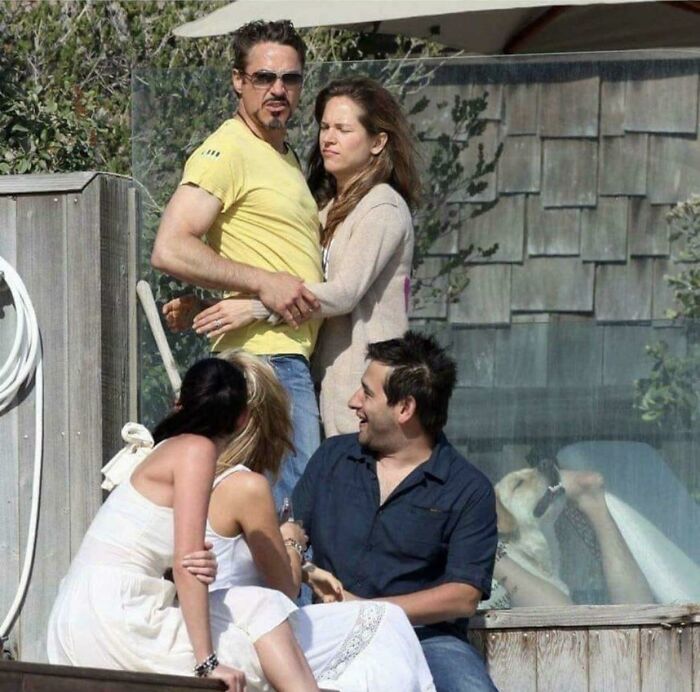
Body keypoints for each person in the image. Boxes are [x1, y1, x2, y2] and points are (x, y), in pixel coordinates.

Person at [165, 76, 418, 437]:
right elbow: (307, 293)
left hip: (368, 399)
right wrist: (211, 308)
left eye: (343, 129)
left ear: (378, 142)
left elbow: (344, 293)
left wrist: (255, 307)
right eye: (325, 127)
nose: (328, 138)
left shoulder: (383, 207)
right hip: (326, 391)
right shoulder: (326, 210)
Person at [46, 358, 321, 691]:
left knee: (257, 608)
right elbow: (188, 564)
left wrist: (192, 562)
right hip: (115, 617)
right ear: (243, 418)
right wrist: (206, 663)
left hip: (81, 611)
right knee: (258, 624)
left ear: (181, 402)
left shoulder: (168, 447)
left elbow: (181, 559)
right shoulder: (197, 450)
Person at [151, 19, 322, 504]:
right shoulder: (227, 149)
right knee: (290, 513)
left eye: (290, 78)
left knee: (271, 513)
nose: (278, 89)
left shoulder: (284, 156)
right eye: (264, 77)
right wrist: (264, 282)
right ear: (238, 81)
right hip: (264, 365)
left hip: (282, 354)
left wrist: (215, 300)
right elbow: (170, 246)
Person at [204, 348, 436, 691]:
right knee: (384, 626)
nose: (353, 402)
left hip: (213, 624)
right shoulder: (246, 485)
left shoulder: (186, 468)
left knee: (383, 626)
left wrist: (307, 569)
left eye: (367, 393)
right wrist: (292, 540)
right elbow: (284, 588)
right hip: (237, 634)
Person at [292, 332, 499, 692]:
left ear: (405, 409)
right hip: (330, 629)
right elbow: (287, 532)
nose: (354, 402)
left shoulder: (469, 489)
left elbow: (463, 596)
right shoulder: (331, 458)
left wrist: (369, 610)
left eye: (367, 393)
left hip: (425, 639)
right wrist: (301, 563)